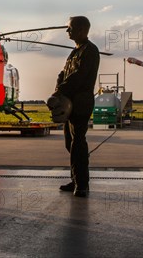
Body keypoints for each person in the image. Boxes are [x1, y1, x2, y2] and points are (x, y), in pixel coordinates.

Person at [54, 16, 100, 197]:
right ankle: (75, 178)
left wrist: (60, 91)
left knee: (78, 143)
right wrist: (58, 87)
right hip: (70, 102)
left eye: (70, 28)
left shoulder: (90, 51)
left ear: (81, 30)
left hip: (81, 102)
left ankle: (82, 184)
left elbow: (78, 76)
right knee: (70, 142)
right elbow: (64, 73)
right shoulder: (75, 52)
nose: (68, 31)